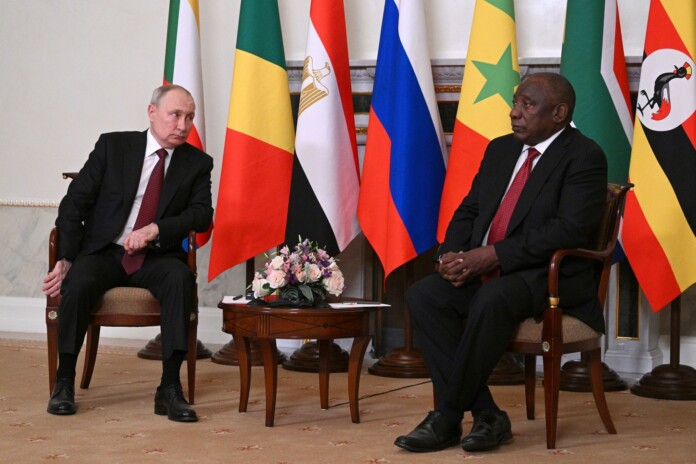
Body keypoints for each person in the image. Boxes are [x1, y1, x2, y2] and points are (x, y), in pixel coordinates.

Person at [394, 72, 608, 453]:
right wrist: (451, 256)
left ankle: (446, 416)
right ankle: (488, 414)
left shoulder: (584, 156)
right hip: (488, 268)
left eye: (527, 105)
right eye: (515, 103)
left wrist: (492, 255)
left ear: (559, 113)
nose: (514, 113)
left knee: (490, 299)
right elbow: (470, 209)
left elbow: (568, 230)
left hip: (547, 276)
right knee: (424, 296)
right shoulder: (500, 150)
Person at [41, 84, 213, 423]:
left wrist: (156, 229)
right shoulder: (113, 147)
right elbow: (74, 203)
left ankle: (169, 387)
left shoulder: (197, 163)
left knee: (179, 279)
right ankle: (64, 381)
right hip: (106, 252)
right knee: (79, 281)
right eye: (175, 115)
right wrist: (66, 257)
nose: (183, 125)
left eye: (189, 117)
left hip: (157, 256)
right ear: (152, 113)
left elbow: (201, 214)